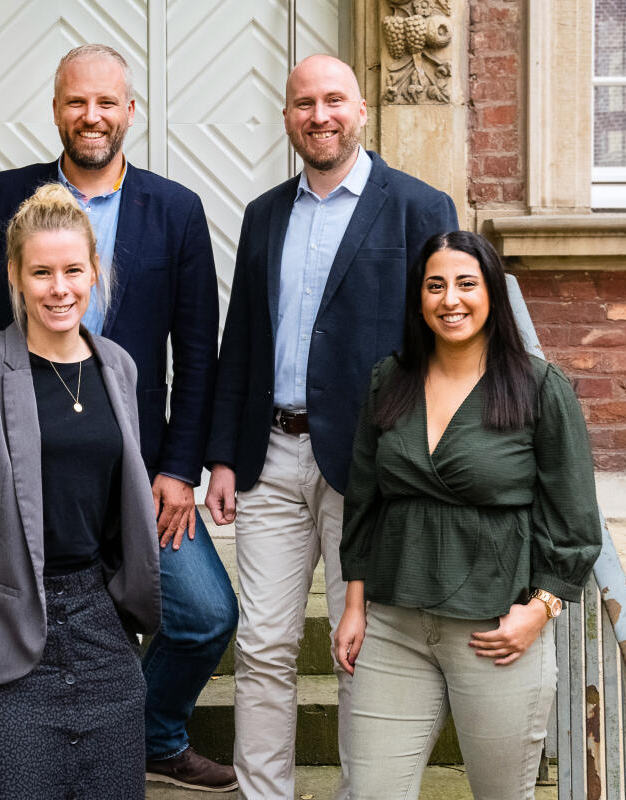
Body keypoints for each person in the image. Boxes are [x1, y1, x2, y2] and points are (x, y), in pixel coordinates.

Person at [0, 44, 238, 791]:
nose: (90, 116)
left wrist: (177, 469)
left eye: (105, 102)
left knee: (204, 612)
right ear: (57, 110)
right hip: (15, 471)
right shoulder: (2, 197)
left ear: (130, 111)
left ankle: (153, 734)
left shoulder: (176, 210)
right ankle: (3, 720)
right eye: (75, 102)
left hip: (133, 474)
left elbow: (198, 354)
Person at [204, 54, 458, 800]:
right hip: (270, 457)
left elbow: (446, 342)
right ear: (287, 116)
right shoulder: (264, 214)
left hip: (372, 468)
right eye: (304, 103)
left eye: (334, 100)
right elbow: (241, 340)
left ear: (362, 109)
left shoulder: (419, 208)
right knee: (263, 645)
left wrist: (422, 457)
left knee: (364, 650)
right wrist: (224, 456)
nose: (320, 116)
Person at [334, 231, 603, 800]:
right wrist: (355, 607)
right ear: (419, 298)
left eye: (465, 284)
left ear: (491, 294)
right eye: (435, 286)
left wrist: (540, 610)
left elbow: (575, 521)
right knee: (371, 791)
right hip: (395, 626)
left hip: (494, 630)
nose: (450, 299)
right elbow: (364, 500)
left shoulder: (538, 387)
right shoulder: (389, 379)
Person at [0, 183, 160, 798]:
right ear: (15, 276)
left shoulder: (118, 368)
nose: (59, 289)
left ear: (94, 270)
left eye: (73, 270)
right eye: (41, 272)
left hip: (100, 639)